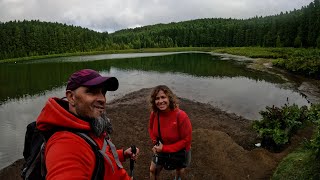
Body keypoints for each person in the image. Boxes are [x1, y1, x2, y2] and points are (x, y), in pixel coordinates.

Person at [36, 69, 139, 180]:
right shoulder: (66, 144)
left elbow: (97, 156)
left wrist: (122, 154)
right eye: (92, 91)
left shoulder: (87, 124)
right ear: (71, 97)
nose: (102, 99)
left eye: (103, 92)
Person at [148, 85, 192, 180]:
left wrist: (165, 148)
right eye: (157, 98)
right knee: (153, 170)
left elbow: (186, 140)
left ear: (169, 98)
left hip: (180, 150)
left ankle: (177, 178)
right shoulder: (154, 113)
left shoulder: (181, 116)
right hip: (161, 148)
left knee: (179, 169)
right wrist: (155, 142)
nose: (160, 101)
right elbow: (150, 128)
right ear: (154, 101)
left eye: (163, 97)